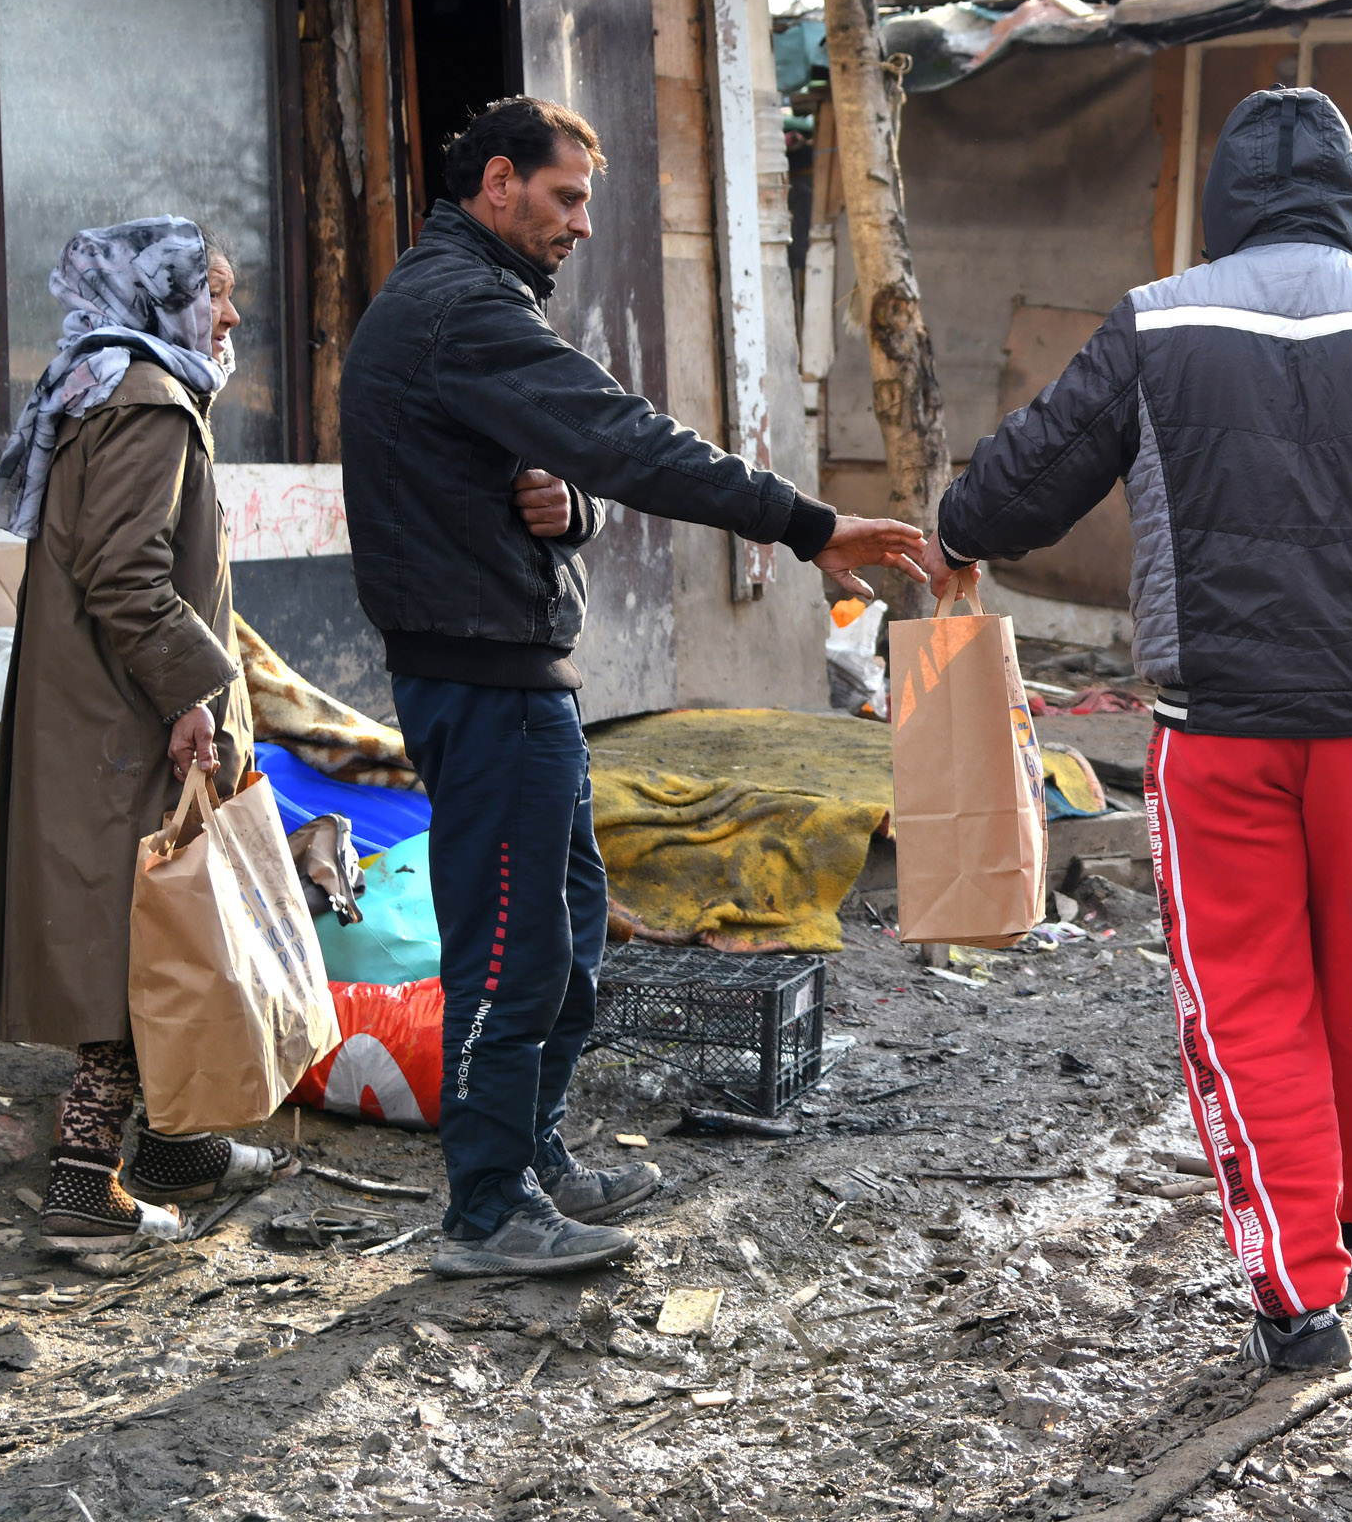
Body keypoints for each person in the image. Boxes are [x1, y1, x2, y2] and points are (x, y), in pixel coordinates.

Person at [916, 86, 1352, 1370]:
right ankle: (1340, 1226)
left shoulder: (1159, 321)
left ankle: (1295, 1286)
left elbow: (1032, 473)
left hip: (1216, 737)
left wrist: (951, 534)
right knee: (1347, 987)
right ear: (1349, 203)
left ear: (1225, 203)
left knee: (1247, 1003)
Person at [342, 96, 925, 1279]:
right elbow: (624, 436)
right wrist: (804, 522)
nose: (579, 226)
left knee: (560, 931)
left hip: (512, 670)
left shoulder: (470, 308)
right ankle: (488, 1207)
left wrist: (574, 509)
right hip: (484, 678)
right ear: (496, 181)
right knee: (512, 948)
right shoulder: (460, 311)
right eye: (563, 199)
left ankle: (533, 1156)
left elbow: (572, 476)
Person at [0, 218, 287, 1240]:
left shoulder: (102, 382)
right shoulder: (147, 398)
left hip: (101, 703)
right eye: (215, 292)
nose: (231, 314)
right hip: (129, 715)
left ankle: (174, 1141)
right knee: (146, 933)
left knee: (150, 922)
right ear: (163, 298)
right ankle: (81, 1185)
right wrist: (192, 698)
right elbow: (126, 573)